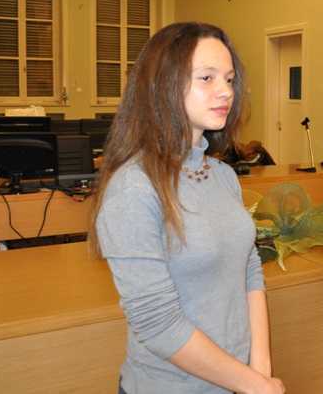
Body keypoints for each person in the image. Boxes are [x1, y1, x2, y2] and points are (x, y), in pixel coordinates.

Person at [90, 22, 285, 394]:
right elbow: (158, 324)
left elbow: (249, 270)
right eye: (207, 78)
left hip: (238, 382)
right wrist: (254, 384)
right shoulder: (133, 187)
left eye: (229, 79)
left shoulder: (223, 175)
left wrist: (260, 369)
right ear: (163, 84)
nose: (225, 91)